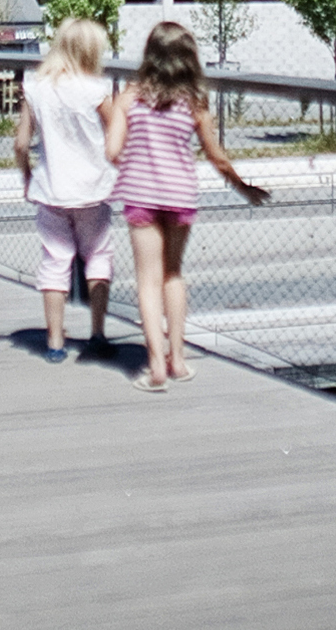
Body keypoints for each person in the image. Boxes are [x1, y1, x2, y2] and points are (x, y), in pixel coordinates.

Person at [101, 21, 267, 394]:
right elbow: (216, 156)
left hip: (141, 196)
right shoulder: (194, 102)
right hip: (180, 197)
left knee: (147, 282)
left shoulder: (129, 98)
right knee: (173, 274)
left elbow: (112, 151)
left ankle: (155, 366)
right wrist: (242, 187)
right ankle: (178, 359)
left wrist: (136, 165)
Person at [15, 17, 117, 363]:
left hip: (51, 190)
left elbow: (21, 143)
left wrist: (27, 176)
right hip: (93, 190)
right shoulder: (96, 89)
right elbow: (118, 136)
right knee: (98, 257)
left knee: (55, 263)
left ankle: (55, 342)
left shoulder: (36, 87)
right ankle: (97, 334)